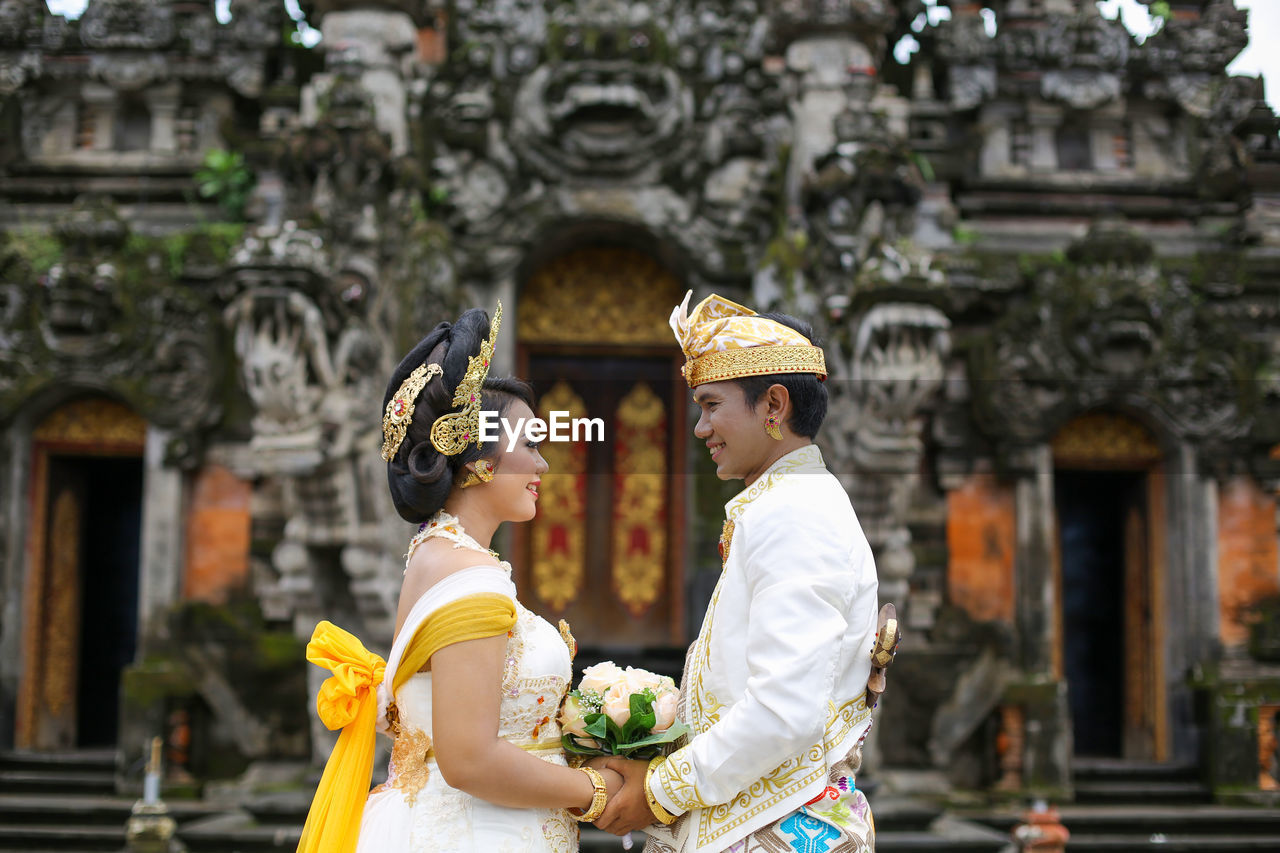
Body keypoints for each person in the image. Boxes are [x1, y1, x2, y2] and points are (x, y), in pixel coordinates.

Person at [297, 302, 622, 853]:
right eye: (530, 447)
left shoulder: (436, 555)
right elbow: (469, 759)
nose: (543, 466)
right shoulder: (469, 576)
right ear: (478, 460)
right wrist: (596, 792)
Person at [593, 292, 886, 853]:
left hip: (776, 823)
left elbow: (783, 710)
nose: (701, 428)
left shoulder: (794, 511)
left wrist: (661, 790)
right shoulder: (786, 504)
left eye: (710, 404)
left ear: (773, 405)